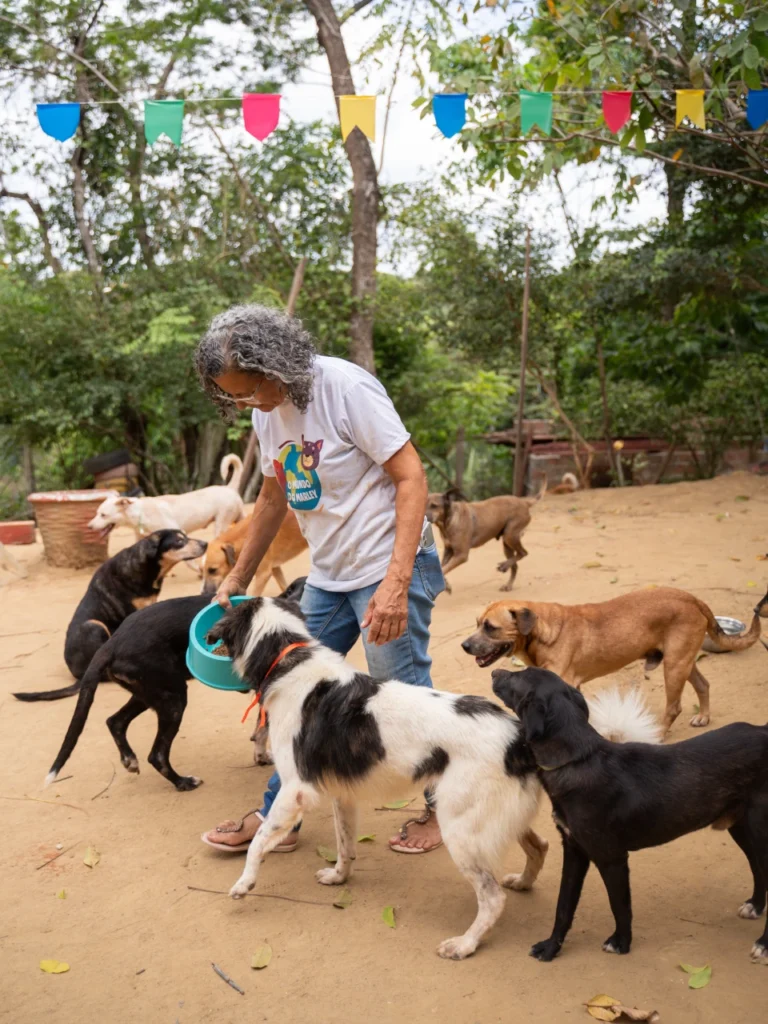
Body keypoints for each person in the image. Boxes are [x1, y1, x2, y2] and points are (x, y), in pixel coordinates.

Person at [194, 305, 446, 854]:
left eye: (250, 390)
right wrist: (238, 573)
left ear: (277, 363)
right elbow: (271, 496)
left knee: (401, 697)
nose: (245, 403)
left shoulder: (345, 390)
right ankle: (277, 819)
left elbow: (411, 477)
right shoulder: (266, 412)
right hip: (330, 572)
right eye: (232, 396)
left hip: (387, 563)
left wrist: (396, 584)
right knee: (293, 691)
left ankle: (443, 811)